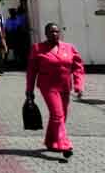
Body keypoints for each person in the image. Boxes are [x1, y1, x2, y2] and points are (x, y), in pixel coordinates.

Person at [25, 23, 84, 159]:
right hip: (48, 87)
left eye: (57, 31)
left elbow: (78, 67)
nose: (55, 34)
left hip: (64, 87)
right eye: (51, 32)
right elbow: (31, 71)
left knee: (61, 115)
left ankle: (51, 141)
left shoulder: (68, 48)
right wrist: (29, 90)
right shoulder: (38, 48)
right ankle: (64, 145)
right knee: (57, 115)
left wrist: (78, 85)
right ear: (45, 34)